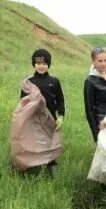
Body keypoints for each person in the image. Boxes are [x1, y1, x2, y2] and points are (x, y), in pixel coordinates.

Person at [20, 48, 65, 176]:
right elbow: (22, 101)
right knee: (34, 141)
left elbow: (60, 100)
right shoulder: (29, 82)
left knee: (50, 141)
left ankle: (51, 164)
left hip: (50, 117)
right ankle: (32, 164)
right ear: (34, 64)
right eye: (38, 63)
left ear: (48, 65)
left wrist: (61, 115)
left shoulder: (54, 81)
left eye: (44, 63)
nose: (41, 66)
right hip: (33, 118)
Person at [84, 47, 106, 143]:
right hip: (102, 121)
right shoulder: (90, 81)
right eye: (100, 61)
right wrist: (95, 132)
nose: (104, 64)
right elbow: (89, 109)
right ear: (93, 61)